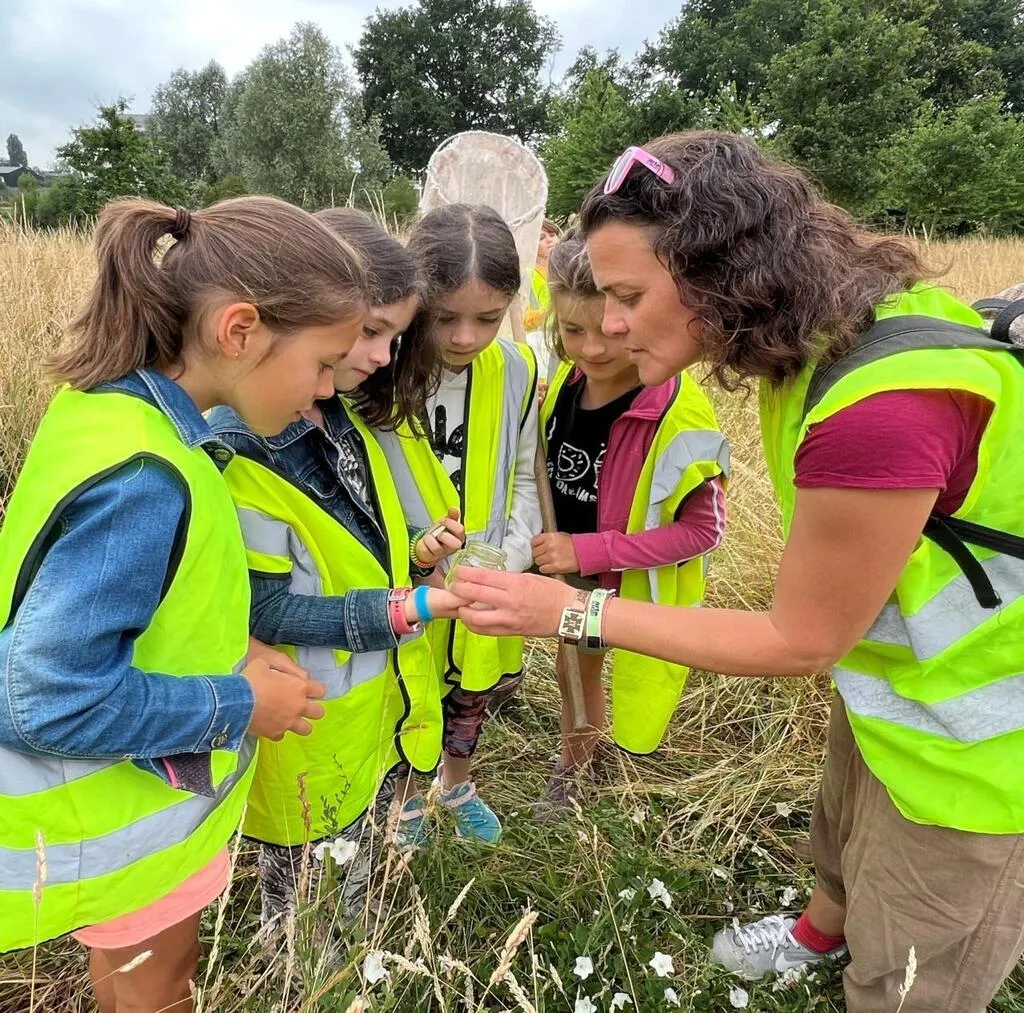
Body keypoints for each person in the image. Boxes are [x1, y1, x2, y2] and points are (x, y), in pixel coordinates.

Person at [450, 134, 1024, 1011]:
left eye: (630, 297)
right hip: (901, 685)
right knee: (843, 826)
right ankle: (818, 930)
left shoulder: (879, 408)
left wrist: (567, 611)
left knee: (916, 959)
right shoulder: (818, 341)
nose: (607, 327)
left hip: (984, 743)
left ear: (722, 269)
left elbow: (800, 637)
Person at [0, 196, 365, 1011]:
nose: (326, 392)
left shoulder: (111, 413)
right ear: (240, 330)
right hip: (115, 826)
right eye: (325, 362)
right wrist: (238, 702)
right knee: (157, 990)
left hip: (115, 812)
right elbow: (42, 698)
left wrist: (227, 650)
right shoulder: (145, 476)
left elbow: (136, 608)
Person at [210, 208, 467, 935]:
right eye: (372, 331)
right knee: (299, 877)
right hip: (307, 716)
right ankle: (295, 962)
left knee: (349, 854)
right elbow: (262, 609)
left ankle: (348, 938)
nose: (384, 355)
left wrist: (416, 548)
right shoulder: (247, 448)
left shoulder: (336, 411)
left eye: (395, 334)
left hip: (365, 708)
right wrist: (395, 610)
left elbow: (354, 533)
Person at [535, 228, 728, 809]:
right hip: (573, 579)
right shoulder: (561, 388)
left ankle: (617, 757)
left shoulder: (679, 411)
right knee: (577, 671)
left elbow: (702, 530)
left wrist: (589, 551)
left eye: (608, 332)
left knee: (634, 684)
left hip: (638, 589)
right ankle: (577, 764)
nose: (591, 350)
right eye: (572, 331)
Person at [373, 203, 541, 846]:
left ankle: (457, 781)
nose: (467, 337)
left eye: (488, 319)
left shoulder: (520, 372)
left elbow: (526, 476)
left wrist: (512, 555)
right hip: (405, 574)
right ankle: (409, 798)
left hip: (485, 580)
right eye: (446, 318)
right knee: (409, 688)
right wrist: (413, 555)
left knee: (469, 693)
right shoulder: (379, 372)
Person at [523, 218, 562, 375]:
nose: (549, 240)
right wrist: (551, 311)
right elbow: (522, 319)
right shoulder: (526, 274)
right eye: (541, 238)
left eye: (552, 235)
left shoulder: (565, 268)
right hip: (539, 345)